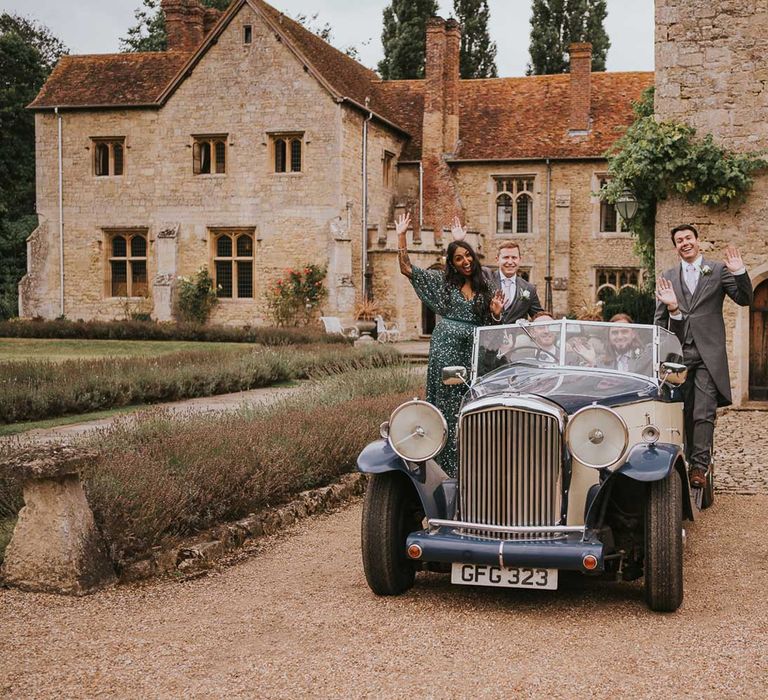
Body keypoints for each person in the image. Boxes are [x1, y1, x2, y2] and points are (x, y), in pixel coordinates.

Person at [396, 212, 503, 477]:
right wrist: (401, 236)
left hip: (473, 352)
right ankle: (445, 467)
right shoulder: (443, 284)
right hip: (446, 349)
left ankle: (474, 462)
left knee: (471, 402)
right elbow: (407, 269)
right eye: (458, 259)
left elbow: (492, 328)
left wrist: (497, 312)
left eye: (467, 256)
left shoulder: (486, 286)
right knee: (447, 403)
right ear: (452, 265)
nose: (465, 261)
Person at [654, 224, 753, 488]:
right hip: (679, 356)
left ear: (698, 241)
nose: (684, 243)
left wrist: (739, 272)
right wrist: (674, 310)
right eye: (679, 240)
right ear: (675, 247)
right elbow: (659, 324)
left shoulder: (718, 270)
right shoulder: (668, 276)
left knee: (703, 411)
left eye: (688, 238)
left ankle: (699, 467)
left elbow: (745, 299)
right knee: (683, 412)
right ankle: (684, 459)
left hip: (709, 353)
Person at [484, 242, 544, 323]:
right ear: (497, 259)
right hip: (489, 334)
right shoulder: (486, 280)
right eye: (506, 257)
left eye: (514, 257)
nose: (510, 262)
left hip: (517, 335)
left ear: (520, 259)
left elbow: (538, 315)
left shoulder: (529, 288)